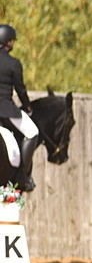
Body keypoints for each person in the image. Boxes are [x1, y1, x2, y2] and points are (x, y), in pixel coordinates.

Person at [0, 24, 39, 191]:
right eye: (12, 41)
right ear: (8, 42)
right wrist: (28, 106)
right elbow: (20, 90)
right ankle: (23, 176)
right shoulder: (13, 64)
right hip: (5, 110)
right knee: (32, 132)